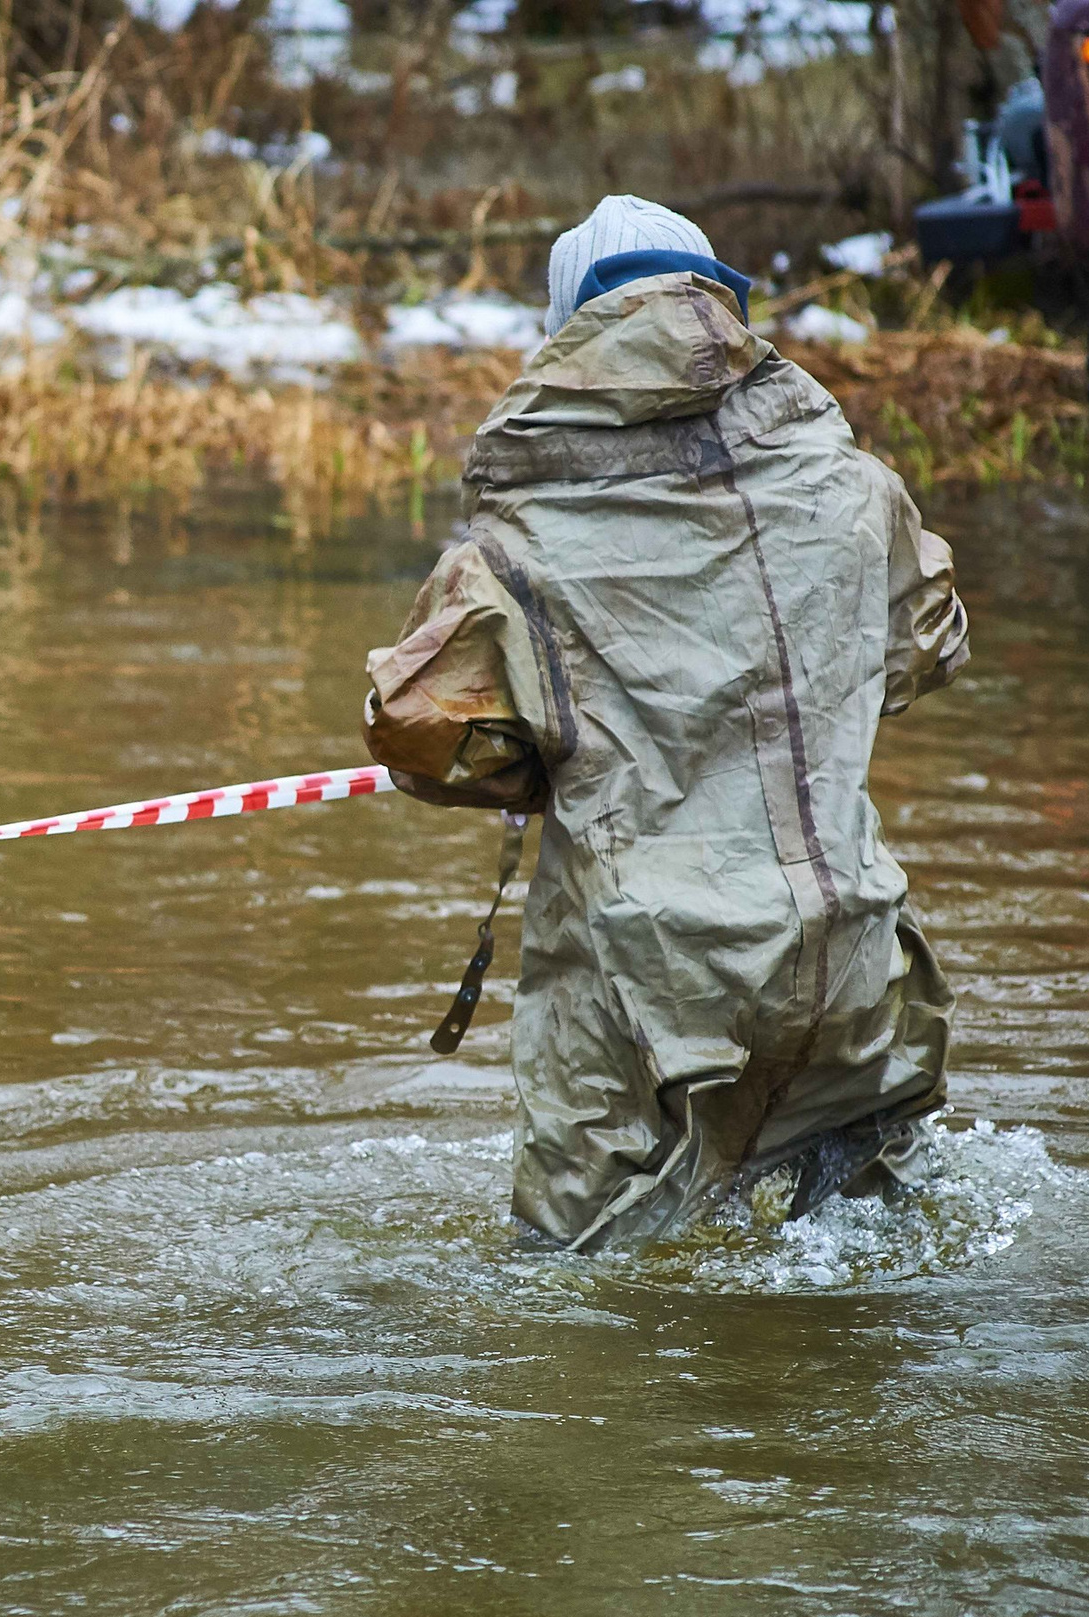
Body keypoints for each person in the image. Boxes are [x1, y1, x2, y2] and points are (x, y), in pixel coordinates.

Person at [362, 196, 970, 1251]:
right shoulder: (858, 490)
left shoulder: (519, 543)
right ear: (723, 315)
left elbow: (419, 728)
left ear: (569, 336)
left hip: (640, 992)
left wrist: (541, 752)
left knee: (576, 1293)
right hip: (853, 965)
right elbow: (927, 645)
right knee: (879, 1275)